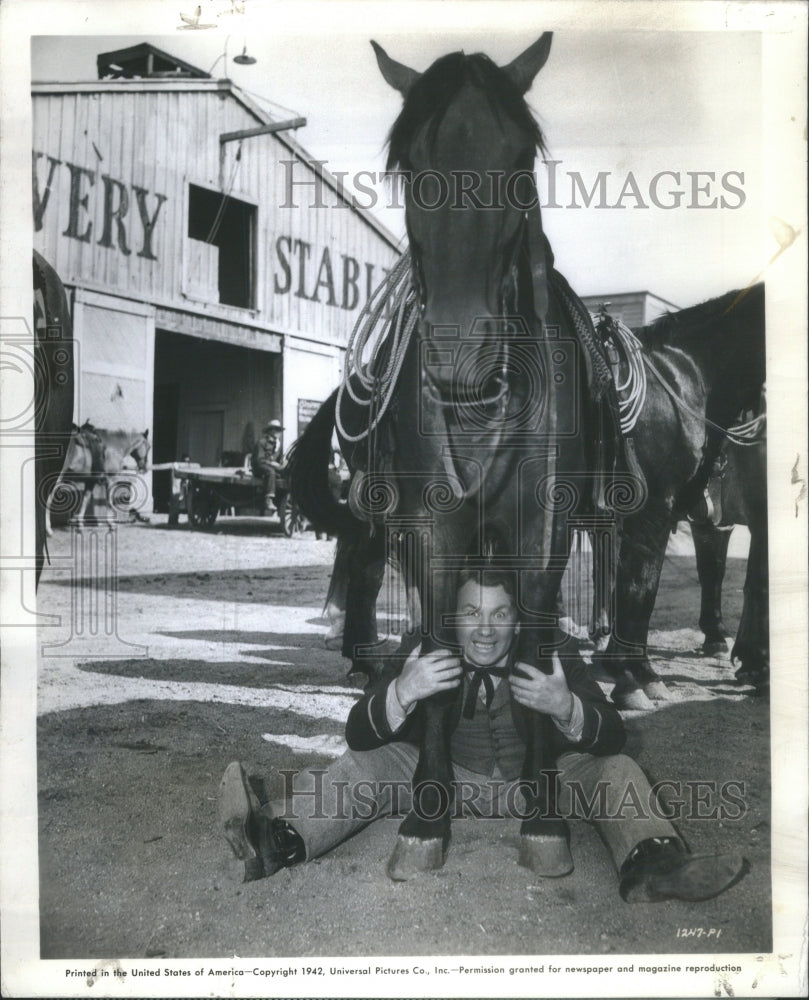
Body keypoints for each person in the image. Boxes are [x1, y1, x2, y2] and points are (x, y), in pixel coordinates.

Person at [219, 567, 748, 902]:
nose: (486, 629)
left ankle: (656, 865)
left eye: (500, 613)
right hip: (444, 785)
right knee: (368, 765)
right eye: (472, 613)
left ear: (519, 621)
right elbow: (358, 733)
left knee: (617, 771)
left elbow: (614, 737)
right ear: (453, 617)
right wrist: (402, 691)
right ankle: (277, 841)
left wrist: (567, 707)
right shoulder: (423, 647)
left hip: (537, 787)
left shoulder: (553, 648)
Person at [252, 419, 284, 515]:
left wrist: (281, 465)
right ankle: (268, 499)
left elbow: (279, 460)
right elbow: (258, 460)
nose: (279, 433)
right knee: (271, 472)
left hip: (270, 467)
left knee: (284, 471)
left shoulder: (278, 445)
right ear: (270, 431)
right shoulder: (262, 442)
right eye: (276, 430)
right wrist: (271, 463)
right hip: (259, 467)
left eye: (279, 430)